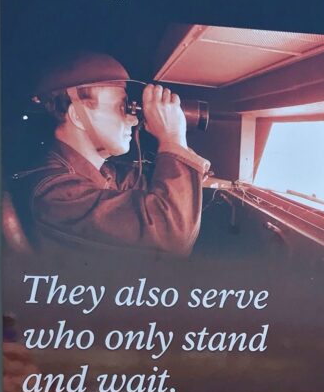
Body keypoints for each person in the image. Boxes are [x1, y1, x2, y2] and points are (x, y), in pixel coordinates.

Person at [15, 52, 210, 256]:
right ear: (78, 117)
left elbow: (162, 188)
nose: (133, 120)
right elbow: (172, 237)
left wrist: (175, 144)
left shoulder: (105, 172)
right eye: (121, 107)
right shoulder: (54, 194)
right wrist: (171, 137)